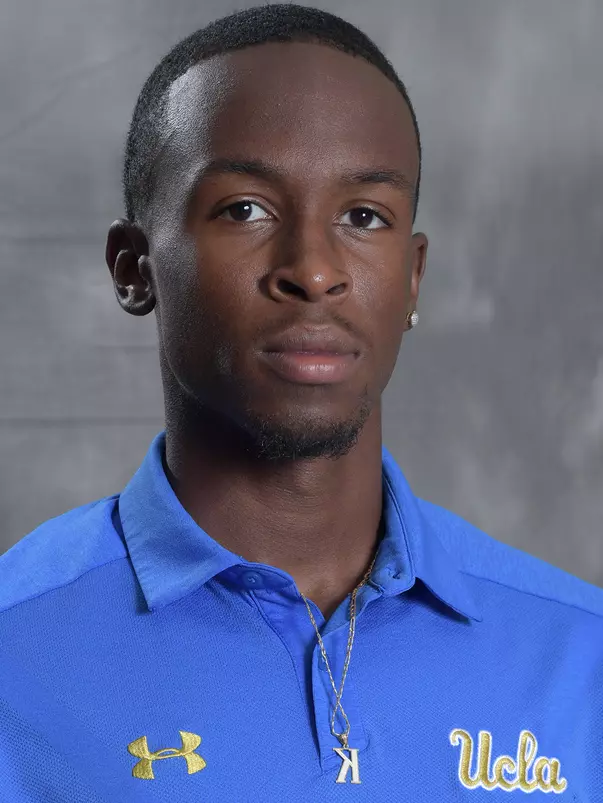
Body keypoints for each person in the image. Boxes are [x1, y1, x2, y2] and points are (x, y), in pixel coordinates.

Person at [0, 4, 601, 800]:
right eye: (244, 209)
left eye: (363, 216)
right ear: (133, 268)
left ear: (412, 278)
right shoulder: (17, 648)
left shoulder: (577, 656)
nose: (313, 270)